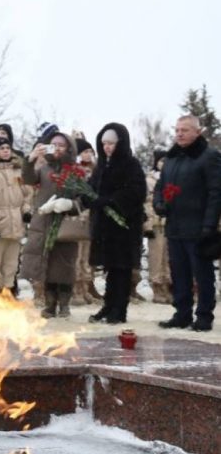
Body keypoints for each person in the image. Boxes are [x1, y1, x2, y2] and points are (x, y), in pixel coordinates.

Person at [153, 115, 221, 331]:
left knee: (202, 274)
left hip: (199, 227)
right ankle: (182, 313)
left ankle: (204, 316)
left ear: (197, 132)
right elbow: (160, 187)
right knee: (179, 273)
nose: (179, 134)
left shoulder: (209, 156)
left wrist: (209, 225)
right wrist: (159, 204)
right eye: (177, 130)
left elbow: (216, 193)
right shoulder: (171, 158)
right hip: (175, 226)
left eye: (185, 130)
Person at [86, 123, 146, 324]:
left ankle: (119, 309)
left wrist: (111, 201)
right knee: (110, 269)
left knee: (122, 269)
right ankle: (108, 305)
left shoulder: (131, 165)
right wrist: (86, 196)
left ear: (121, 143)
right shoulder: (102, 166)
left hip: (124, 227)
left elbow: (136, 192)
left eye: (111, 143)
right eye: (104, 143)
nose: (107, 147)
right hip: (105, 227)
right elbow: (92, 189)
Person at [21, 129, 81, 319]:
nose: (57, 148)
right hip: (43, 223)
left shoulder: (75, 172)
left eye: (61, 145)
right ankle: (49, 304)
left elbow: (83, 199)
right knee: (46, 264)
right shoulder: (44, 168)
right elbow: (28, 178)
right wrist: (30, 160)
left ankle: (64, 304)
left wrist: (70, 205)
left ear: (69, 148)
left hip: (65, 225)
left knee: (64, 265)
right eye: (53, 144)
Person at [0, 137, 30, 294]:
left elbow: (27, 194)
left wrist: (26, 211)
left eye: (8, 148)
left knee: (11, 263)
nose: (6, 151)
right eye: (2, 148)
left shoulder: (18, 171)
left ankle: (7, 292)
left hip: (16, 223)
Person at [72, 139, 98, 306]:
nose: (88, 155)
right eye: (84, 151)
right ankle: (76, 290)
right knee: (77, 255)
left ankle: (85, 287)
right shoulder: (73, 171)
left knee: (87, 256)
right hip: (78, 216)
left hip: (91, 216)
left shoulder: (95, 171)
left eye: (90, 151)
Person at [144, 151, 172, 304]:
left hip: (171, 223)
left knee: (168, 257)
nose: (164, 163)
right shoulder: (149, 180)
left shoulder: (173, 178)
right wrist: (148, 224)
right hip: (155, 223)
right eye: (161, 160)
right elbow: (146, 203)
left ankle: (167, 286)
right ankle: (157, 287)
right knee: (156, 256)